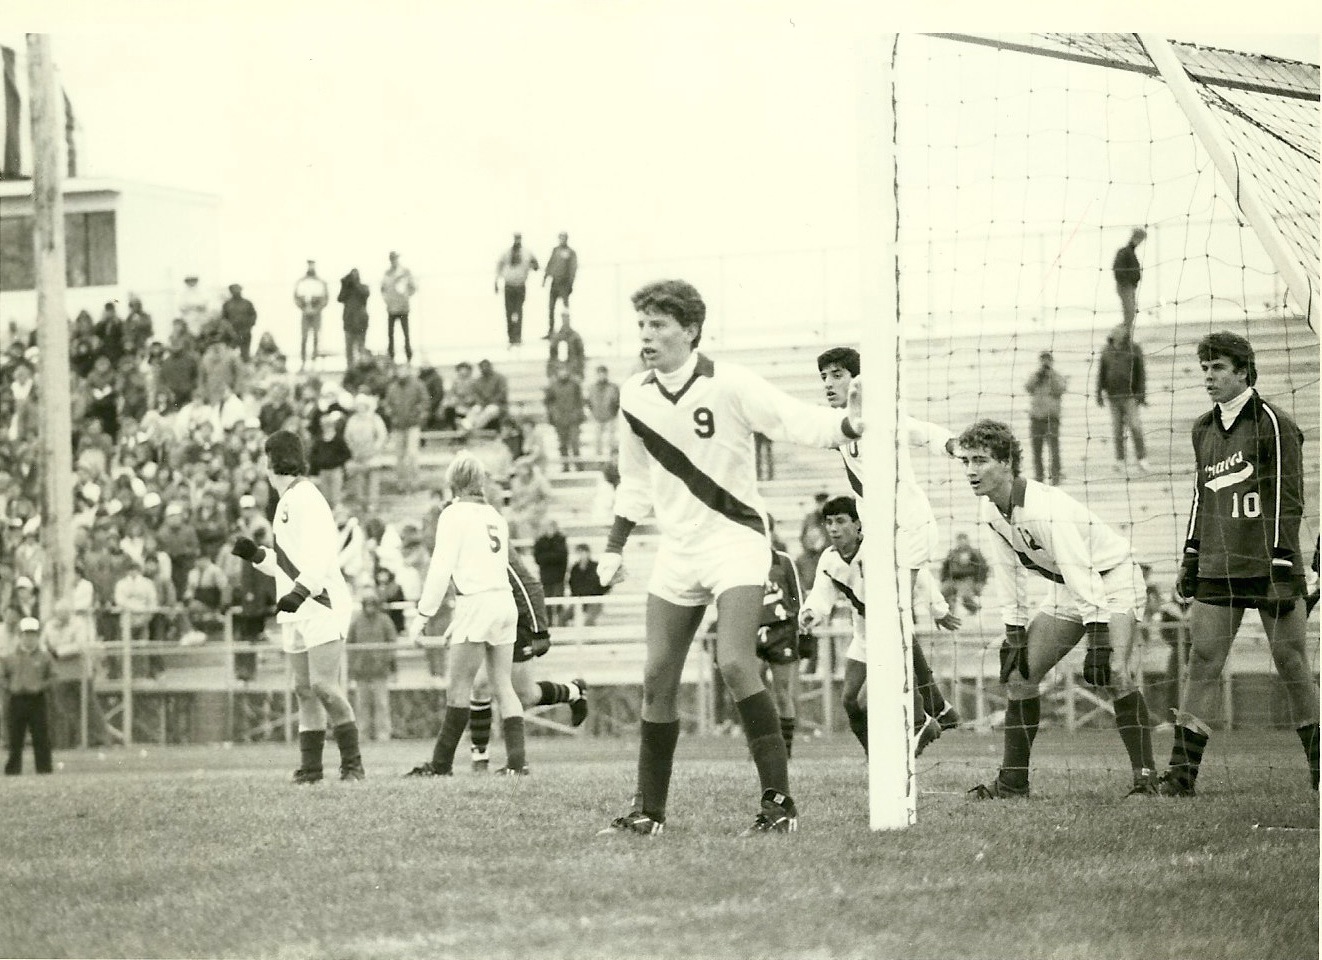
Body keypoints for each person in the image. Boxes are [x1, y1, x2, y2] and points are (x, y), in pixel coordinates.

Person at [598, 279, 864, 838]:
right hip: (678, 549)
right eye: (642, 325)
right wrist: (615, 544)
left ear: (690, 330)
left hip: (735, 541)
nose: (647, 335)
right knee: (656, 676)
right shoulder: (633, 396)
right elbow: (635, 480)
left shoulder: (731, 383)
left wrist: (848, 424)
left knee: (737, 662)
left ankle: (779, 804)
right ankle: (649, 812)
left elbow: (794, 419)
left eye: (659, 325)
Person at [954, 419, 1157, 799]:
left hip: (1111, 580)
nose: (970, 470)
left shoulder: (1044, 508)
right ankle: (1013, 783)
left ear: (1006, 463)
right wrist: (1014, 632)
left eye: (979, 460)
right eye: (965, 461)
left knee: (1114, 672)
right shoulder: (991, 512)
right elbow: (1008, 574)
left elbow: (1082, 568)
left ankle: (1146, 778)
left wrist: (1098, 635)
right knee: (1020, 675)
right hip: (1069, 589)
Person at [1157, 332, 1318, 795]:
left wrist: (1285, 560)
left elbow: (1289, 497)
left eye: (1218, 368)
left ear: (1244, 371)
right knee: (1203, 660)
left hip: (1270, 565)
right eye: (1204, 368)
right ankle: (1182, 776)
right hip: (1219, 564)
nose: (1209, 376)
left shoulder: (1274, 422)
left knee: (1290, 662)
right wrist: (1191, 552)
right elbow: (1200, 496)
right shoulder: (1202, 428)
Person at [816, 345, 959, 731]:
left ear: (857, 379)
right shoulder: (840, 424)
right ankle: (936, 710)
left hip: (908, 526)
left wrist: (950, 444)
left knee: (890, 622)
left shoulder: (880, 416)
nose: (829, 383)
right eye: (824, 377)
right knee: (888, 621)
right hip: (882, 534)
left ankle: (919, 719)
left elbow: (918, 430)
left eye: (837, 375)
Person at [230, 430, 364, 783]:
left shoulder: (306, 497)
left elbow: (321, 556)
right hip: (299, 606)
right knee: (303, 688)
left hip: (320, 602)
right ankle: (311, 768)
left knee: (324, 685)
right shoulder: (287, 501)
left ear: (274, 460)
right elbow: (289, 563)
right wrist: (256, 556)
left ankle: (353, 764)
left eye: (266, 457)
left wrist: (301, 591)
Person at [405, 453, 527, 776]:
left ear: (452, 484)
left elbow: (441, 568)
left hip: (477, 602)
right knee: (503, 684)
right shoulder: (494, 516)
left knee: (458, 687)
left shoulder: (453, 515)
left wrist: (421, 616)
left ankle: (441, 764)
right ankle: (517, 764)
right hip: (503, 602)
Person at [798, 496, 940, 759]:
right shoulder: (829, 559)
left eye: (840, 521)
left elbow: (918, 573)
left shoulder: (879, 549)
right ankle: (874, 757)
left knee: (877, 698)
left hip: (890, 633)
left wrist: (939, 608)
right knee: (850, 701)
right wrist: (809, 613)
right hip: (863, 636)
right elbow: (821, 595)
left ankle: (917, 729)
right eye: (829, 522)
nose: (833, 528)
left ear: (858, 523)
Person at [465, 550, 589, 771]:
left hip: (515, 623)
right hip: (485, 621)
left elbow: (531, 586)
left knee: (525, 695)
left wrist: (540, 631)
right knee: (480, 685)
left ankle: (574, 691)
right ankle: (480, 762)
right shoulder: (459, 541)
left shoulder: (492, 540)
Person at [757, 547, 810, 758]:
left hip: (781, 631)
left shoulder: (782, 560)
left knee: (782, 691)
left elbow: (797, 597)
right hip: (753, 629)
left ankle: (785, 751)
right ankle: (759, 746)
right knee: (752, 690)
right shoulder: (741, 559)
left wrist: (804, 635)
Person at [3, 617, 54, 775]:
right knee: (15, 737)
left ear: (37, 636)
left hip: (37, 699)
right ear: (20, 635)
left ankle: (44, 769)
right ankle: (13, 770)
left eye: (32, 634)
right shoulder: (10, 657)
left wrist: (41, 686)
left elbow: (53, 676)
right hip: (16, 699)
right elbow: (2, 676)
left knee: (41, 736)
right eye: (26, 634)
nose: (29, 638)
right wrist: (10, 687)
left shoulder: (45, 657)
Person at [1096, 324, 1150, 474]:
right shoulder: (1106, 351)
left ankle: (1142, 458)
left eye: (1121, 332)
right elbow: (1101, 373)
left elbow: (1141, 372)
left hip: (1130, 396)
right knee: (1117, 429)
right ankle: (1120, 460)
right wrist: (1098, 393)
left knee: (1135, 427)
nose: (1117, 334)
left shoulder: (1134, 349)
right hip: (1113, 397)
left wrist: (1141, 394)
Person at [346, 589, 397, 742]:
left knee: (382, 703)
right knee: (362, 704)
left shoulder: (385, 620)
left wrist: (387, 661)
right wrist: (353, 666)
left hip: (380, 670)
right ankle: (363, 734)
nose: (370, 607)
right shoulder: (356, 621)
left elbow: (392, 642)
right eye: (367, 604)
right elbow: (350, 643)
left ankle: (383, 734)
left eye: (372, 604)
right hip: (361, 670)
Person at [1024, 350, 1067, 485]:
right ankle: (1039, 477)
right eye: (1043, 360)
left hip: (1051, 419)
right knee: (1037, 450)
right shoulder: (1035, 376)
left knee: (1054, 449)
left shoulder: (1057, 376)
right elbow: (1028, 387)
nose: (1045, 362)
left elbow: (1060, 389)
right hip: (1036, 418)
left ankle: (1056, 475)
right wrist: (1039, 376)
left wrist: (1050, 376)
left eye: (1047, 360)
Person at [494, 233, 539, 347]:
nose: (517, 241)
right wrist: (496, 281)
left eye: (519, 239)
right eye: (516, 239)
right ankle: (511, 337)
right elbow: (499, 266)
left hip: (520, 286)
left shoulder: (526, 253)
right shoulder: (506, 253)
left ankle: (518, 337)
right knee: (509, 312)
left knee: (518, 311)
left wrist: (533, 265)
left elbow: (536, 266)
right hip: (509, 285)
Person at [544, 364, 586, 472]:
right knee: (562, 444)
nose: (563, 373)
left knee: (575, 443)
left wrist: (579, 415)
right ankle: (565, 466)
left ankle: (578, 466)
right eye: (561, 370)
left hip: (573, 419)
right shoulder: (552, 386)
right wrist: (552, 416)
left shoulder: (575, 385)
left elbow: (580, 401)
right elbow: (548, 403)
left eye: (565, 370)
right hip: (560, 420)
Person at [381, 251, 418, 364]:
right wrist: (387, 300)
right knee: (390, 334)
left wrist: (406, 296)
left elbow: (413, 287)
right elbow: (382, 289)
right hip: (391, 308)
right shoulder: (387, 273)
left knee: (406, 334)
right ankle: (391, 358)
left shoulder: (405, 272)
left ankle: (408, 357)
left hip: (403, 308)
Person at [939, 532, 988, 615]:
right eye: (959, 540)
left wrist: (980, 582)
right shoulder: (952, 553)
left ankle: (975, 609)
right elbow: (945, 567)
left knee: (965, 596)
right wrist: (943, 580)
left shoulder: (974, 553)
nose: (962, 542)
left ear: (968, 541)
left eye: (964, 540)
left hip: (968, 578)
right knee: (944, 592)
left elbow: (983, 568)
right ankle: (950, 611)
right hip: (953, 579)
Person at [532, 520, 569, 626]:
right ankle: (548, 627)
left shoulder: (560, 540)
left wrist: (547, 558)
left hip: (558, 578)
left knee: (558, 605)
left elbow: (561, 557)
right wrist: (552, 557)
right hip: (546, 578)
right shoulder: (541, 541)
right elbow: (538, 558)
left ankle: (562, 627)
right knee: (546, 605)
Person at [293, 260, 329, 371]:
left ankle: (314, 361)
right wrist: (303, 308)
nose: (311, 267)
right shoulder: (301, 282)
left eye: (312, 265)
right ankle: (303, 361)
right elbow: (296, 297)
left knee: (316, 337)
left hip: (316, 313)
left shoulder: (321, 282)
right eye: (309, 265)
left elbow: (325, 298)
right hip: (305, 313)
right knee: (304, 337)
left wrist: (316, 309)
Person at [542, 232, 578, 338]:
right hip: (555, 282)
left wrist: (571, 283)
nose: (562, 240)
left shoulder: (571, 252)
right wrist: (545, 278)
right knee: (551, 307)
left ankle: (566, 329)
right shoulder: (555, 251)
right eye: (561, 238)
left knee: (565, 307)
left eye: (564, 238)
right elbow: (550, 264)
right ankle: (550, 330)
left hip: (565, 283)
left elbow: (573, 268)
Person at [1113, 227, 1146, 332]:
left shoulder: (1130, 252)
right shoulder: (1125, 252)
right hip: (1125, 287)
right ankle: (1123, 334)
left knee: (1130, 312)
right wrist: (1126, 282)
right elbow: (1118, 269)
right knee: (1129, 312)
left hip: (1129, 287)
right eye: (1140, 238)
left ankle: (1126, 333)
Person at [586, 365, 621, 461]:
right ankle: (598, 458)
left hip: (610, 416)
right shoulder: (592, 388)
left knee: (611, 439)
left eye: (603, 374)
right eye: (599, 374)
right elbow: (589, 401)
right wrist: (593, 412)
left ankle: (611, 457)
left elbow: (617, 400)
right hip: (597, 416)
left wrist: (614, 412)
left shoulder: (613, 387)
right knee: (598, 439)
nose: (602, 376)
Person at [337, 268, 371, 368]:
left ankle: (360, 367)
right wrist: (344, 285)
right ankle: (350, 368)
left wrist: (355, 284)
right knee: (349, 348)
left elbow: (365, 294)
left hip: (361, 322)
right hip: (349, 322)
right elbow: (340, 298)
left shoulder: (363, 287)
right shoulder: (347, 290)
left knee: (360, 347)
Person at [568, 543, 605, 626]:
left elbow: (604, 584)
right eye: (579, 553)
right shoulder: (575, 568)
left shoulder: (596, 567)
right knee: (563, 617)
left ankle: (590, 638)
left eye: (583, 552)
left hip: (593, 600)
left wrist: (598, 594)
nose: (582, 555)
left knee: (588, 620)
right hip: (578, 599)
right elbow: (572, 583)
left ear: (588, 553)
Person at [220, 284, 258, 362]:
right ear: (230, 291)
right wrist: (230, 331)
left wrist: (248, 327)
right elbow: (224, 319)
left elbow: (253, 316)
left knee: (245, 355)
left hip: (245, 333)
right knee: (229, 356)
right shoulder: (227, 304)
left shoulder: (247, 303)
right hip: (231, 335)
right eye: (234, 290)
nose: (236, 292)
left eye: (238, 289)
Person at [547, 310, 587, 382]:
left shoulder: (575, 336)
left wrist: (580, 372)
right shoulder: (556, 337)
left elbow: (581, 354)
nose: (565, 320)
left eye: (567, 318)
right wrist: (551, 373)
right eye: (563, 318)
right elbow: (552, 355)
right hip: (559, 370)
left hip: (573, 369)